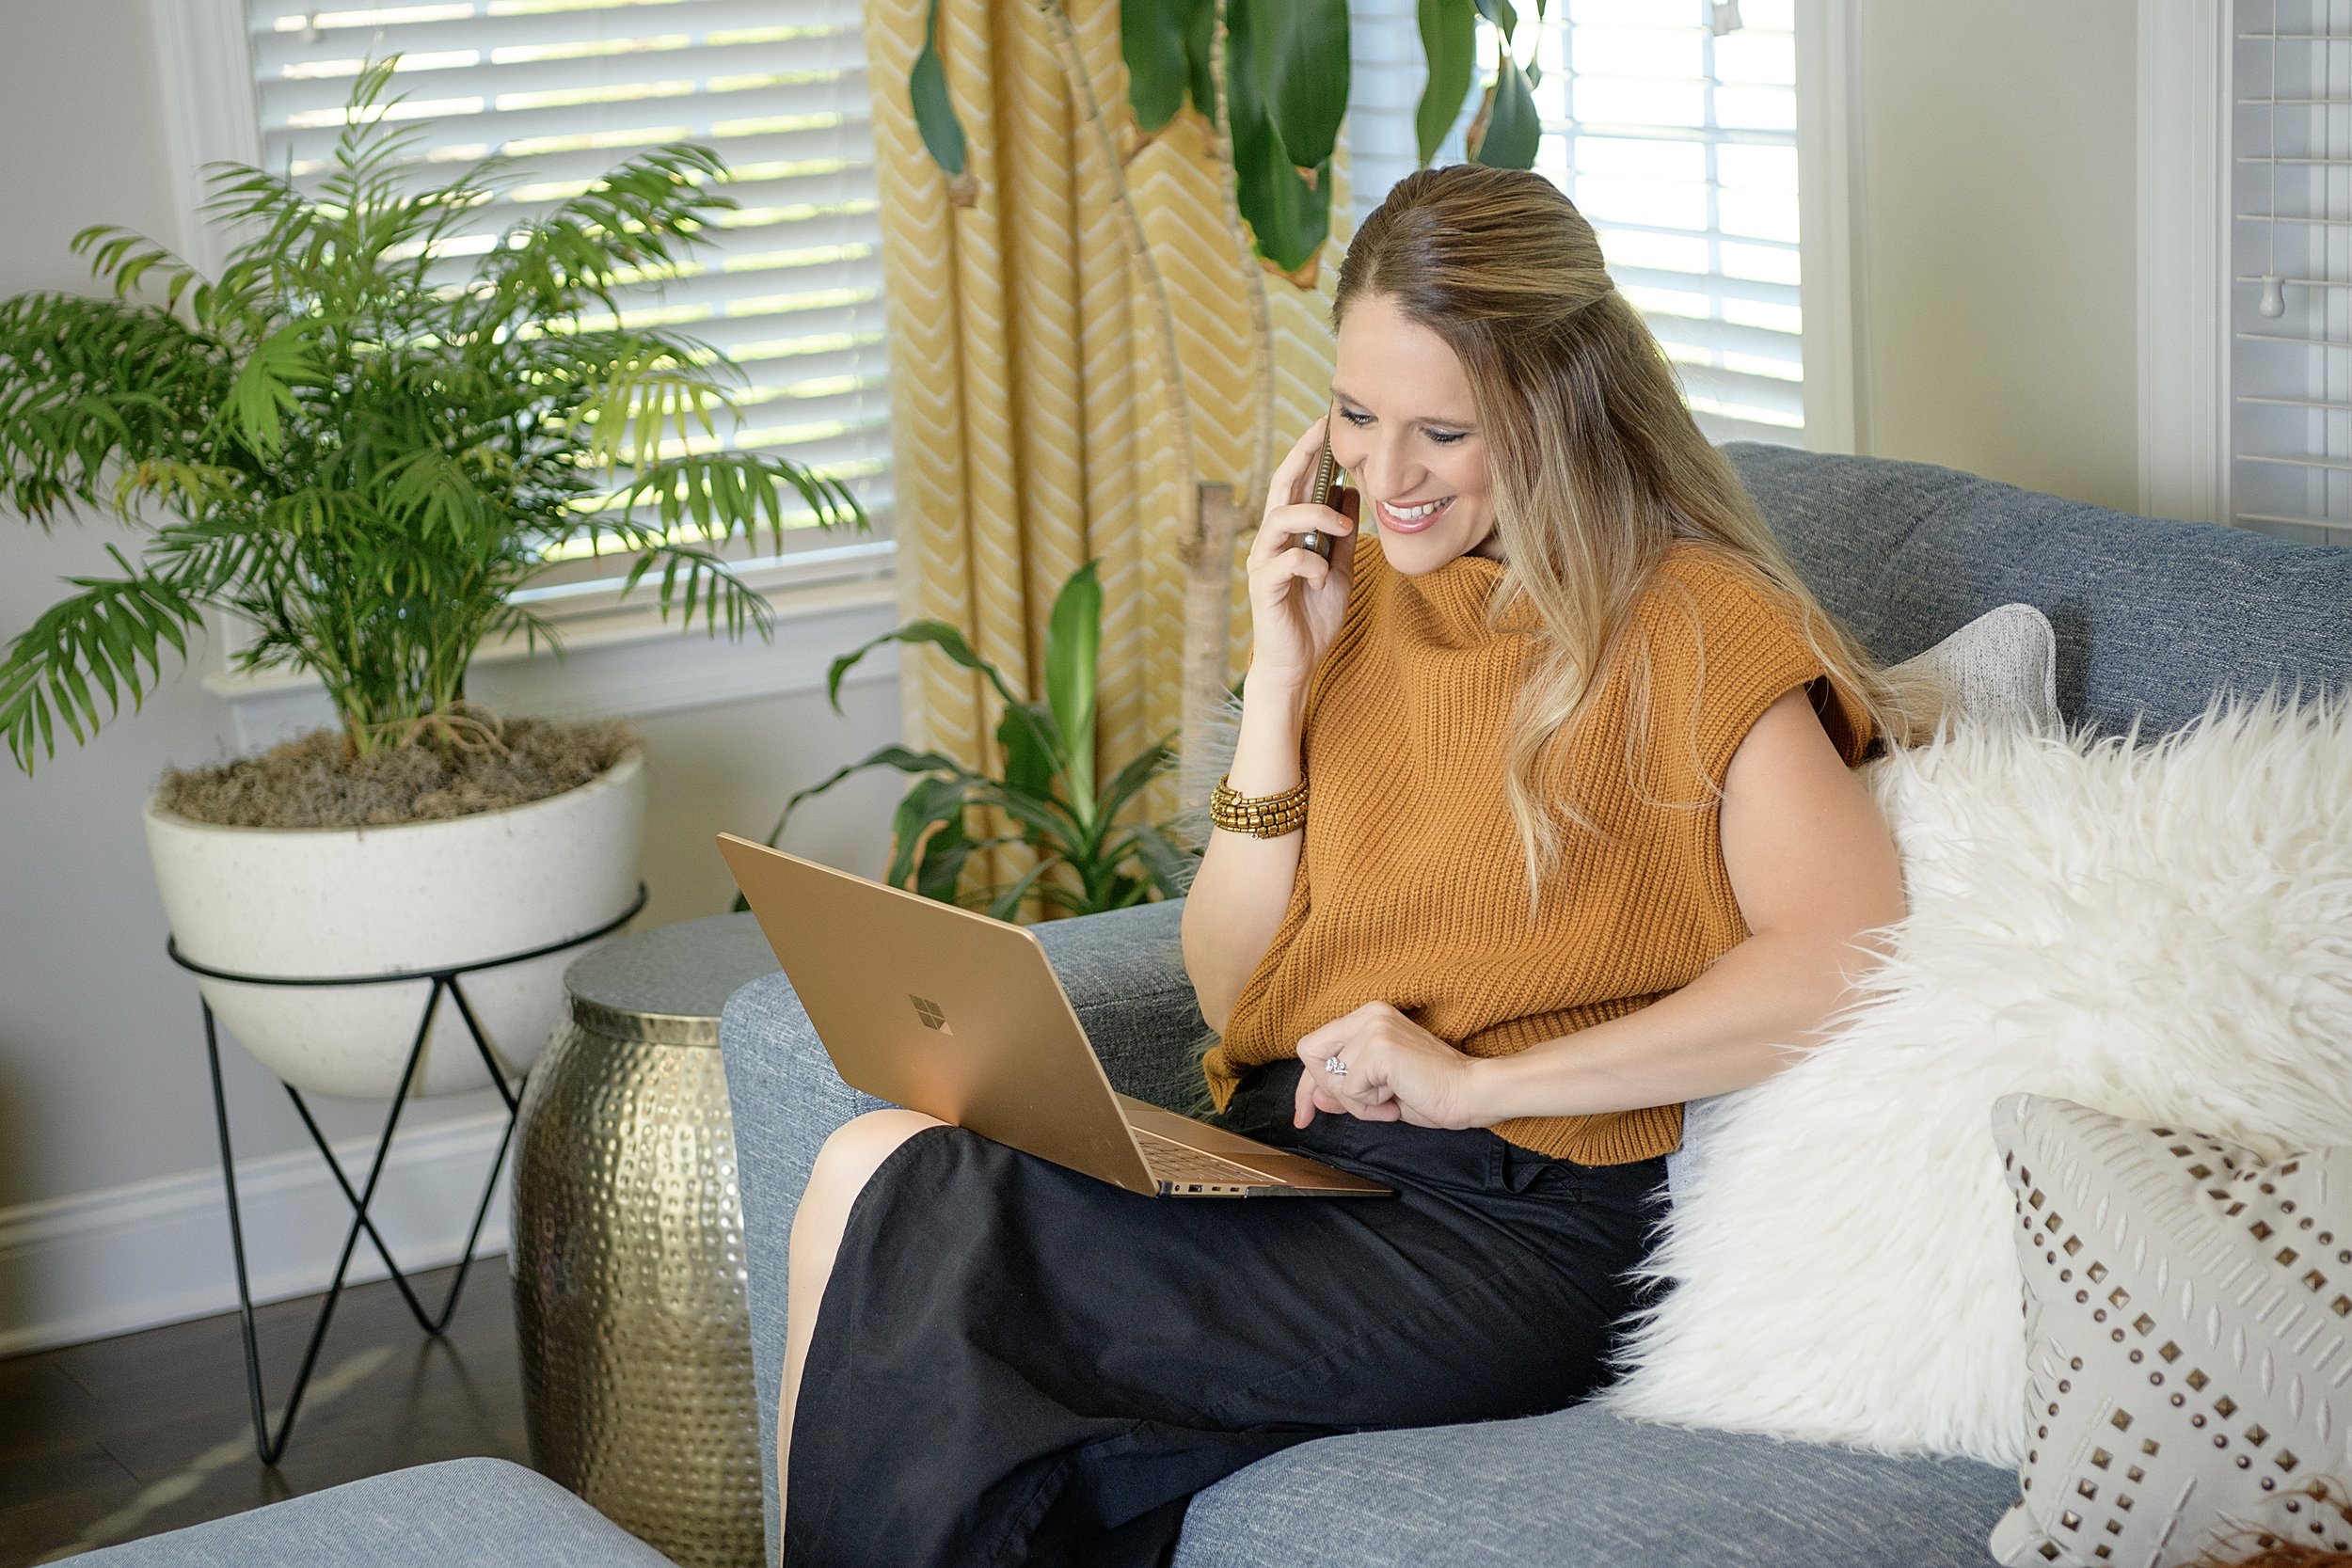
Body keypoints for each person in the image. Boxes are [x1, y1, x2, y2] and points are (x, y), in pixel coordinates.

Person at [776, 163, 1918, 1568]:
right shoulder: (1354, 590)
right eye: (1357, 417)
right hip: (1299, 1157)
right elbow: (1233, 985)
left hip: (1506, 1227)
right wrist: (1280, 677)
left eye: (1443, 431)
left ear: (1558, 412)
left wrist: (1477, 1081)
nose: (1385, 477)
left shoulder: (1692, 622)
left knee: (928, 1214)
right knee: (877, 1158)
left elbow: (1846, 954)